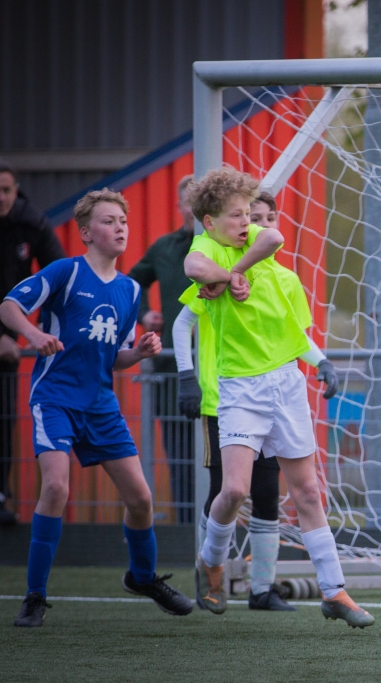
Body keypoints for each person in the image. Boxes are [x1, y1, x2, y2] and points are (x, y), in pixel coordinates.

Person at [183, 168, 372, 627]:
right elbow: (195, 269)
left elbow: (274, 237)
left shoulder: (257, 245)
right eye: (236, 215)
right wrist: (225, 276)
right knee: (234, 490)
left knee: (306, 490)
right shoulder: (205, 248)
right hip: (239, 386)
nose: (246, 222)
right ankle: (212, 561)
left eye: (249, 214)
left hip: (286, 382)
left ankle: (334, 590)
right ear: (209, 222)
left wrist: (235, 273)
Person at [1, 189, 193, 627]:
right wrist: (33, 335)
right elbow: (9, 306)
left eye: (123, 221)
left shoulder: (129, 290)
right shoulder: (66, 271)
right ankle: (34, 596)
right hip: (55, 398)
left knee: (141, 499)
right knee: (56, 488)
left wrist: (139, 353)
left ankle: (142, 577)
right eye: (109, 221)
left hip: (101, 406)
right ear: (86, 233)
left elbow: (115, 358)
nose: (120, 228)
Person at [0, 160, 66, 526]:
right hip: (4, 334)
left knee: (4, 418)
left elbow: (59, 274)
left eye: (6, 190)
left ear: (16, 190)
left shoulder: (31, 223)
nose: (1, 197)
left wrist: (38, 328)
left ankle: (1, 497)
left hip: (12, 335)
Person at [127, 174, 196, 524]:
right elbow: (133, 280)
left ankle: (220, 527)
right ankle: (185, 526)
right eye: (190, 199)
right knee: (180, 451)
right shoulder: (164, 248)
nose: (196, 206)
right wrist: (144, 314)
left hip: (220, 366)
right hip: (173, 369)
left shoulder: (226, 248)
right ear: (180, 205)